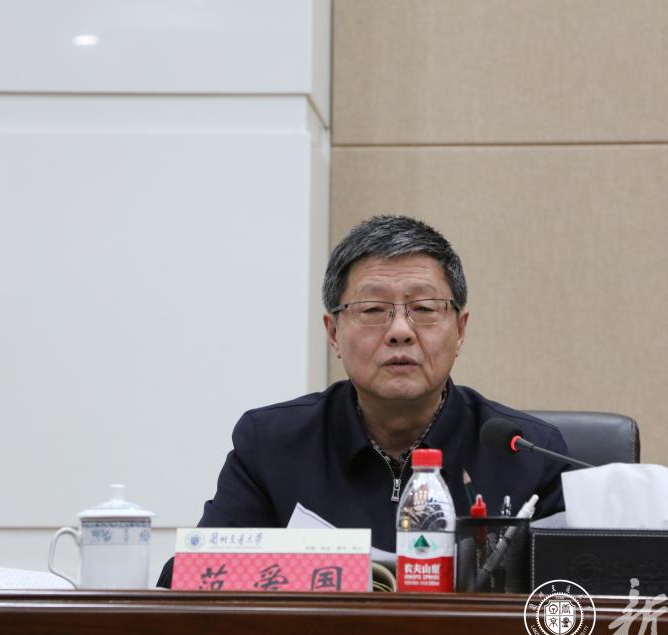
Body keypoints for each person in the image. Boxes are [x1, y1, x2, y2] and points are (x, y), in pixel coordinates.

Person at [157, 215, 568, 587]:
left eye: (424, 308)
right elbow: (187, 580)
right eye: (372, 309)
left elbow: (568, 607)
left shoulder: (528, 455)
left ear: (460, 331)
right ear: (333, 333)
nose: (400, 331)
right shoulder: (271, 444)